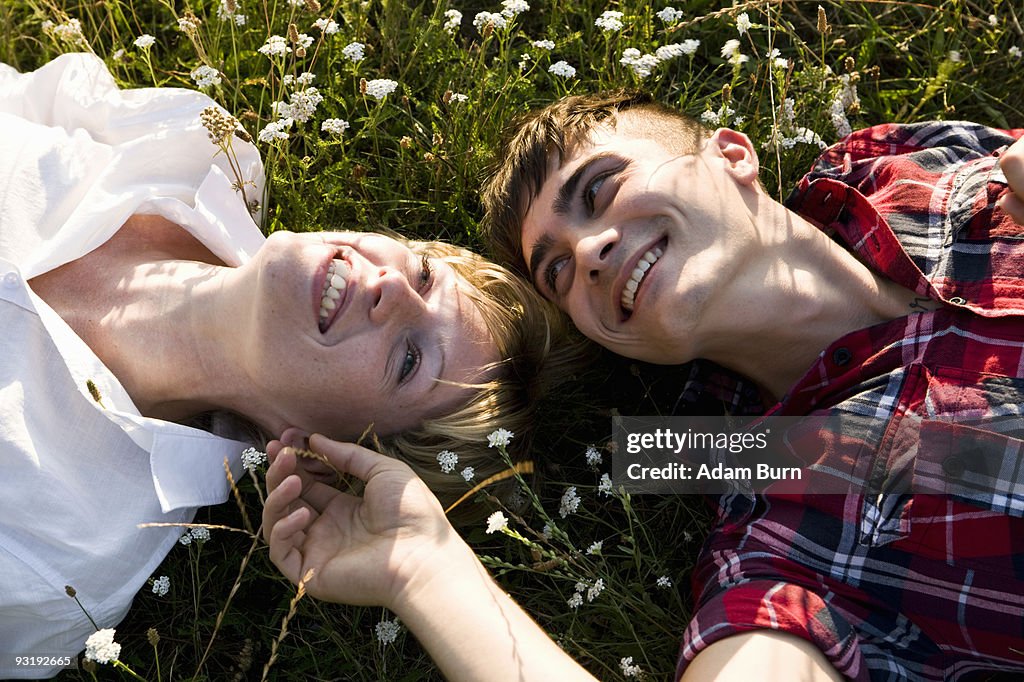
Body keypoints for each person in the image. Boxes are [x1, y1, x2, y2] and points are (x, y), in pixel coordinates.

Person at [264, 91, 1024, 682]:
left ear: (733, 154)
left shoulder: (903, 167)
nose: (589, 252)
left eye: (599, 189)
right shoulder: (785, 523)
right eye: (559, 273)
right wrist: (422, 570)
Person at [0, 53, 575, 678]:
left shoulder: (66, 555)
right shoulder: (200, 149)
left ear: (325, 456)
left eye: (410, 360)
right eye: (423, 273)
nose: (395, 289)